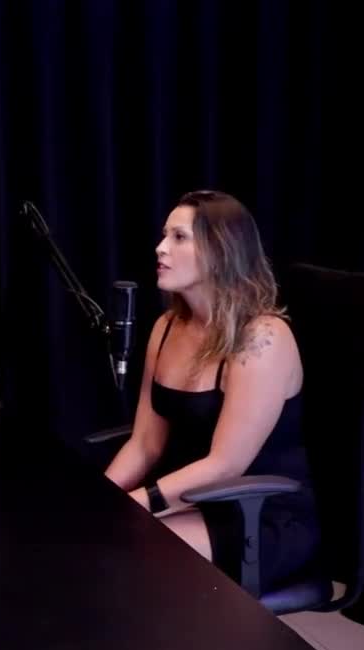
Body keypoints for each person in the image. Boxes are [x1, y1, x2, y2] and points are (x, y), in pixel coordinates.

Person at [105, 190, 319, 591]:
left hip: (259, 515)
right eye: (164, 235)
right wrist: (99, 501)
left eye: (179, 237)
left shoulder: (263, 338)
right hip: (192, 501)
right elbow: (145, 444)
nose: (160, 248)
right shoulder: (166, 327)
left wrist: (134, 506)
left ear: (220, 252)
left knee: (118, 555)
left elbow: (225, 466)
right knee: (89, 540)